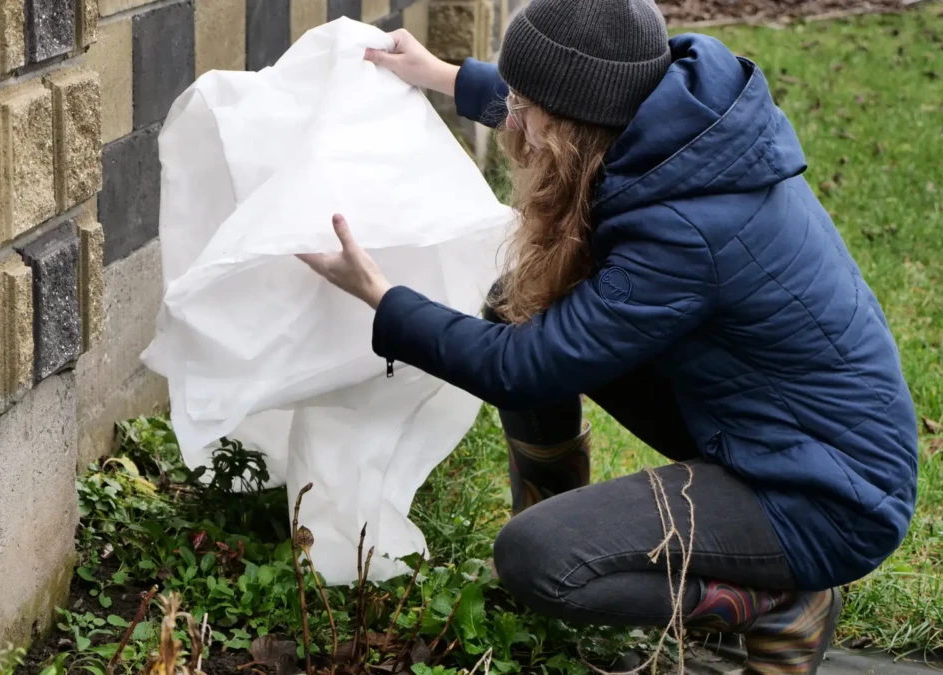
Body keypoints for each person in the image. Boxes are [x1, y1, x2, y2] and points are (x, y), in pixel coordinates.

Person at [297, 0, 920, 672]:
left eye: (527, 108)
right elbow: (573, 98)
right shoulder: (674, 126)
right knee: (517, 305)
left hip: (825, 497)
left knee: (538, 561)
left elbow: (520, 369)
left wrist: (383, 299)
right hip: (771, 428)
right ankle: (559, 508)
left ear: (573, 124)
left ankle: (778, 600)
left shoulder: (683, 229)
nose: (520, 122)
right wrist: (444, 75)